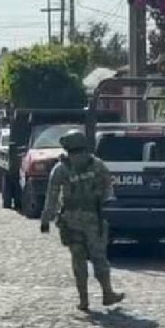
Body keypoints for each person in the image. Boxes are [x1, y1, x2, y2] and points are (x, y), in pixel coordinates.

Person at [40, 130, 124, 312]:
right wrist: (104, 203)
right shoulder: (96, 164)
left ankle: (83, 300)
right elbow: (108, 188)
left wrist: (46, 219)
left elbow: (52, 197)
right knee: (99, 257)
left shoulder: (61, 168)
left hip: (70, 221)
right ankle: (107, 293)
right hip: (93, 219)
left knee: (78, 259)